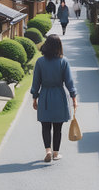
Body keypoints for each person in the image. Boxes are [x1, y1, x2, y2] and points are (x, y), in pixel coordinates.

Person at [31, 34, 77, 162]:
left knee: (45, 126)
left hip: (45, 96)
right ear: (59, 46)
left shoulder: (40, 62)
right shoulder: (64, 61)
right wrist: (74, 97)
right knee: (58, 128)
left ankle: (48, 151)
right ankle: (56, 153)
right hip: (59, 96)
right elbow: (69, 82)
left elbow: (36, 82)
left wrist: (35, 98)